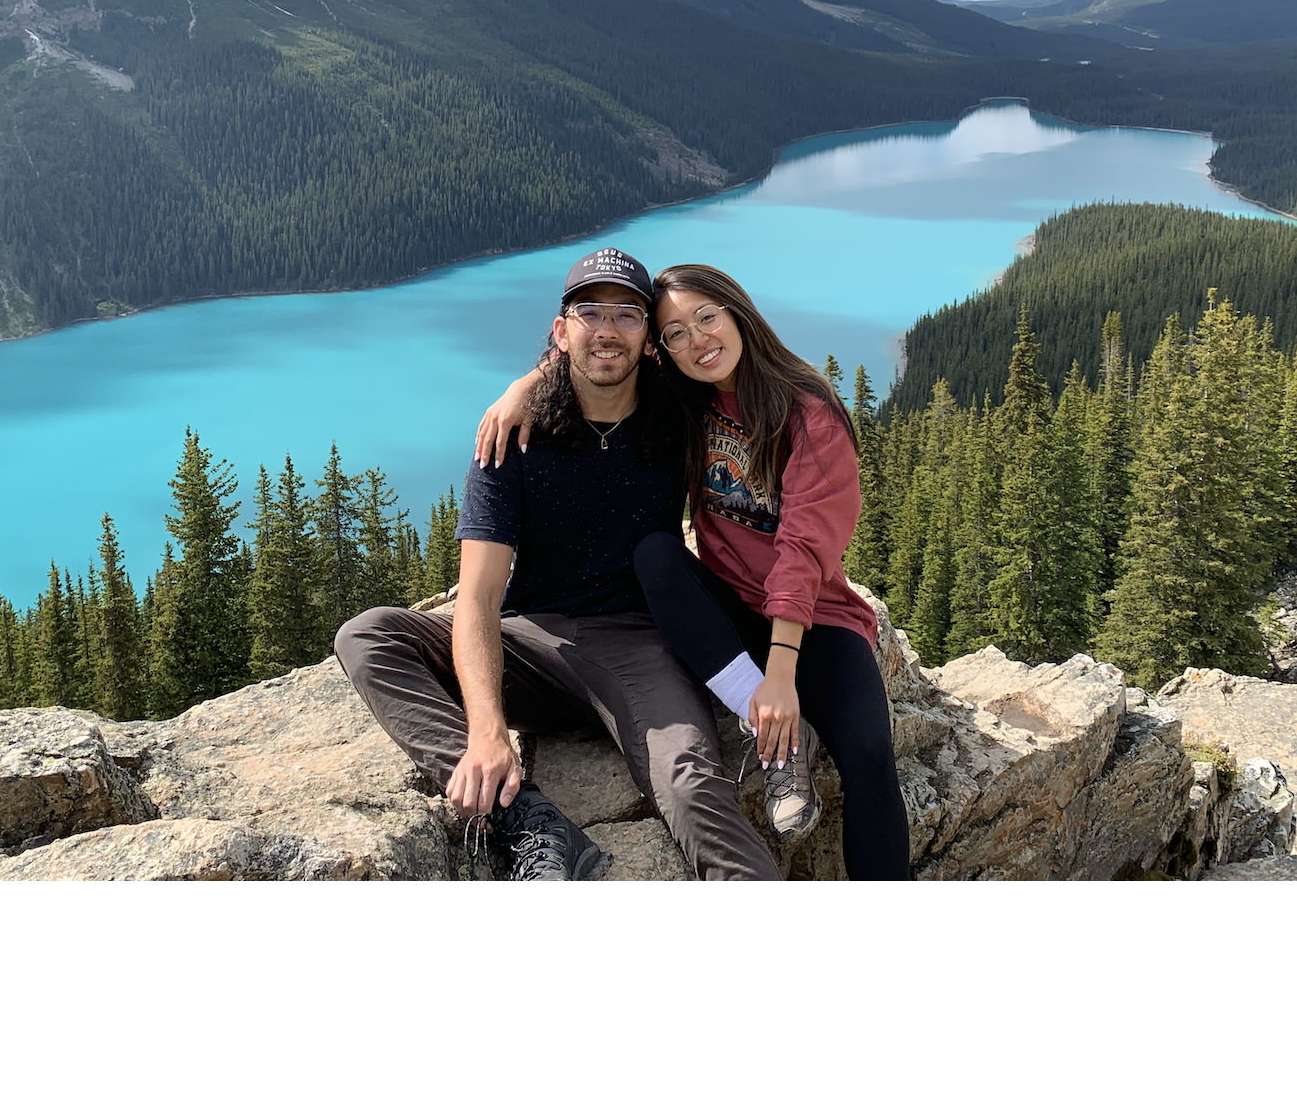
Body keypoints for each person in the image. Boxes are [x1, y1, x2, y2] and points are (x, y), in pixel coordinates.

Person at [336, 247, 779, 883]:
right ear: (561, 330)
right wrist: (487, 732)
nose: (607, 330)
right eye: (589, 313)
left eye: (627, 315)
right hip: (532, 645)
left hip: (640, 643)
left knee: (691, 784)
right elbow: (478, 598)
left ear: (649, 339)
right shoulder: (511, 437)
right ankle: (528, 819)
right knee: (369, 635)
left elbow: (740, 373)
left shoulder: (676, 409)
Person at [478, 262, 911, 881]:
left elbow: (805, 549)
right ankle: (771, 735)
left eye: (707, 318)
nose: (697, 341)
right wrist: (524, 387)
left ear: (739, 313)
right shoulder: (687, 397)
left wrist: (781, 678)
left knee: (868, 754)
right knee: (657, 554)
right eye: (676, 333)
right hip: (724, 615)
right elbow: (602, 348)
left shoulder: (807, 414)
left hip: (815, 619)